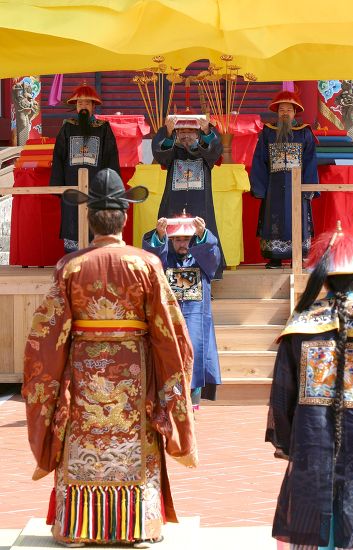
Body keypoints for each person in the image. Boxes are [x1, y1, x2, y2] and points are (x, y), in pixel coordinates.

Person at [22, 168, 198, 548]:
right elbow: (171, 332)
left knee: (82, 439)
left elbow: (47, 336)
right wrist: (173, 376)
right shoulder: (146, 264)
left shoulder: (70, 266)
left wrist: (50, 385)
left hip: (84, 370)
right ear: (125, 217)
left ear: (89, 219)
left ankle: (79, 527)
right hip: (134, 370)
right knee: (134, 441)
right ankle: (136, 525)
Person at [266, 220, 353, 549]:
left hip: (312, 442)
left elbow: (281, 399)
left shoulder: (299, 326)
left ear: (322, 279)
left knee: (311, 519)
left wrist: (289, 442)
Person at [142, 213, 221, 408]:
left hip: (196, 317)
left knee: (194, 353)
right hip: (170, 317)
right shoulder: (165, 260)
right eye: (177, 239)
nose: (182, 244)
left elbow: (213, 257)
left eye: (186, 239)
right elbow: (153, 262)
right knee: (169, 354)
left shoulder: (201, 261)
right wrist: (159, 236)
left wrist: (203, 233)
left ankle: (192, 403)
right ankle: (168, 400)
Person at [250, 90, 319, 269]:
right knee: (274, 218)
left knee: (298, 217)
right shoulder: (267, 132)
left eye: (289, 110)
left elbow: (311, 161)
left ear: (295, 112)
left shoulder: (305, 133)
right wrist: (260, 187)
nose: (285, 113)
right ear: (277, 112)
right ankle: (275, 257)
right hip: (274, 186)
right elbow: (259, 159)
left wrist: (309, 187)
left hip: (298, 186)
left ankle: (299, 256)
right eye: (281, 110)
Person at [152, 112, 225, 278]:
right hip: (174, 202)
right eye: (181, 132)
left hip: (200, 203)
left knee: (200, 237)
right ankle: (169, 281)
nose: (186, 136)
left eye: (191, 131)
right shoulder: (173, 152)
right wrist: (168, 132)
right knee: (172, 236)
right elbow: (160, 155)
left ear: (198, 134)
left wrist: (207, 130)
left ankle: (204, 281)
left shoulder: (205, 154)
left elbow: (215, 151)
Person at [50, 83, 121, 253]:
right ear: (75, 106)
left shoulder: (103, 128)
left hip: (96, 186)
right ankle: (72, 262)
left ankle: (95, 261)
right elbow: (58, 157)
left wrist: (110, 186)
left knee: (96, 219)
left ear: (93, 106)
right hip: (71, 184)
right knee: (72, 220)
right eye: (79, 103)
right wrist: (58, 186)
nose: (83, 106)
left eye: (87, 103)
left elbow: (111, 157)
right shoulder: (67, 127)